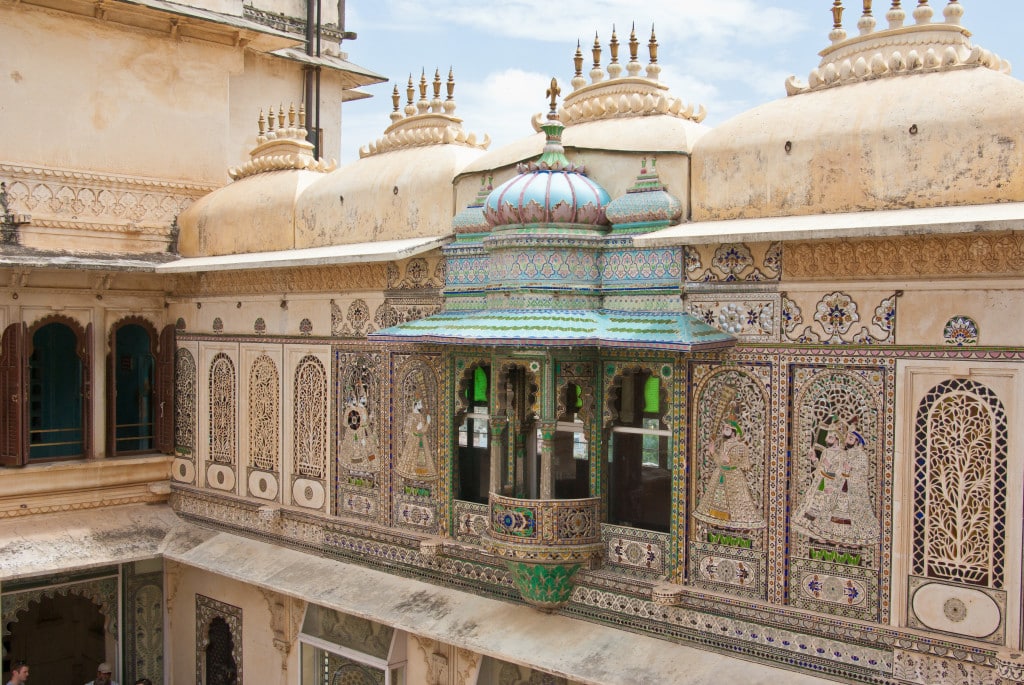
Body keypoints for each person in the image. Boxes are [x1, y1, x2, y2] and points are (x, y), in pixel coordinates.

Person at [693, 419, 766, 531]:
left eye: (727, 429)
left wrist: (730, 461)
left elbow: (746, 465)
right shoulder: (724, 445)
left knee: (734, 502)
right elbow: (720, 463)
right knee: (718, 498)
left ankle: (731, 524)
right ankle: (717, 522)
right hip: (720, 475)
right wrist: (713, 453)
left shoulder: (741, 447)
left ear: (734, 431)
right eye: (724, 428)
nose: (724, 431)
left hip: (734, 478)